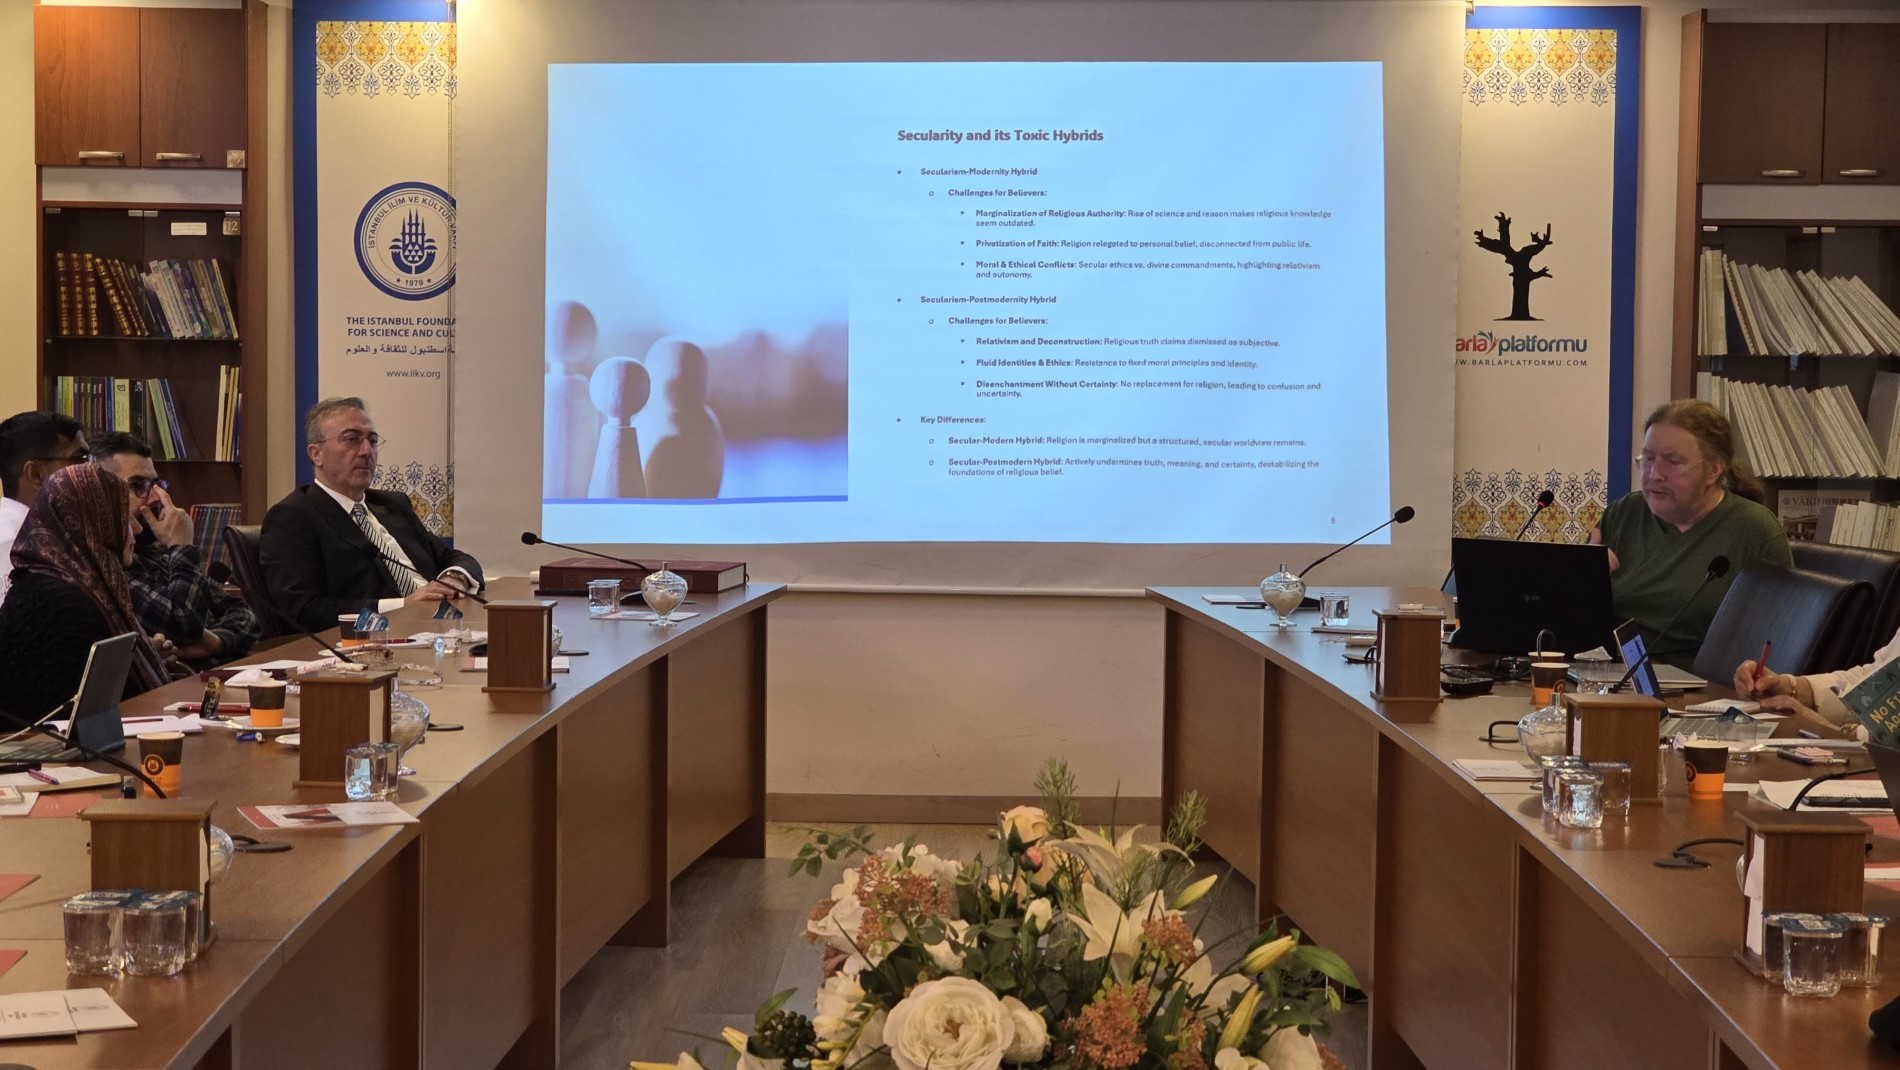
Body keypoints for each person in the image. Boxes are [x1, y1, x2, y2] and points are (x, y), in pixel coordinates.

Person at [1591, 399, 1791, 671]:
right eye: (1648, 459)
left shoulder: (1756, 530)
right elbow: (1575, 621)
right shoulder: (1624, 513)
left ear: (1713, 470)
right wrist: (1586, 581)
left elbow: (1778, 641)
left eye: (1673, 462)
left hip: (1704, 684)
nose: (1654, 474)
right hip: (1611, 675)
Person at [260, 397, 483, 633]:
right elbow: (303, 610)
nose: (367, 451)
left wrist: (453, 579)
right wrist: (404, 605)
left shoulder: (393, 505)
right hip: (378, 640)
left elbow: (454, 558)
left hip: (443, 628)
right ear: (316, 454)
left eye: (372, 441)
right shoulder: (293, 517)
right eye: (352, 439)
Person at [0, 464, 170, 727]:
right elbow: (89, 718)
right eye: (123, 516)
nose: (137, 528)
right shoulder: (66, 602)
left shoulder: (70, 582)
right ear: (93, 523)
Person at [90, 431, 261, 668]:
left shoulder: (155, 553)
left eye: (156, 485)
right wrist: (182, 545)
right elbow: (186, 624)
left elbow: (246, 615)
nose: (155, 498)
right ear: (99, 494)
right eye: (137, 486)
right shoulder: (108, 567)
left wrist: (217, 642)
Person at [0, 411, 88, 607]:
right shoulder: (15, 548)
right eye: (79, 459)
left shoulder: (50, 537)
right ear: (36, 474)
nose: (91, 471)